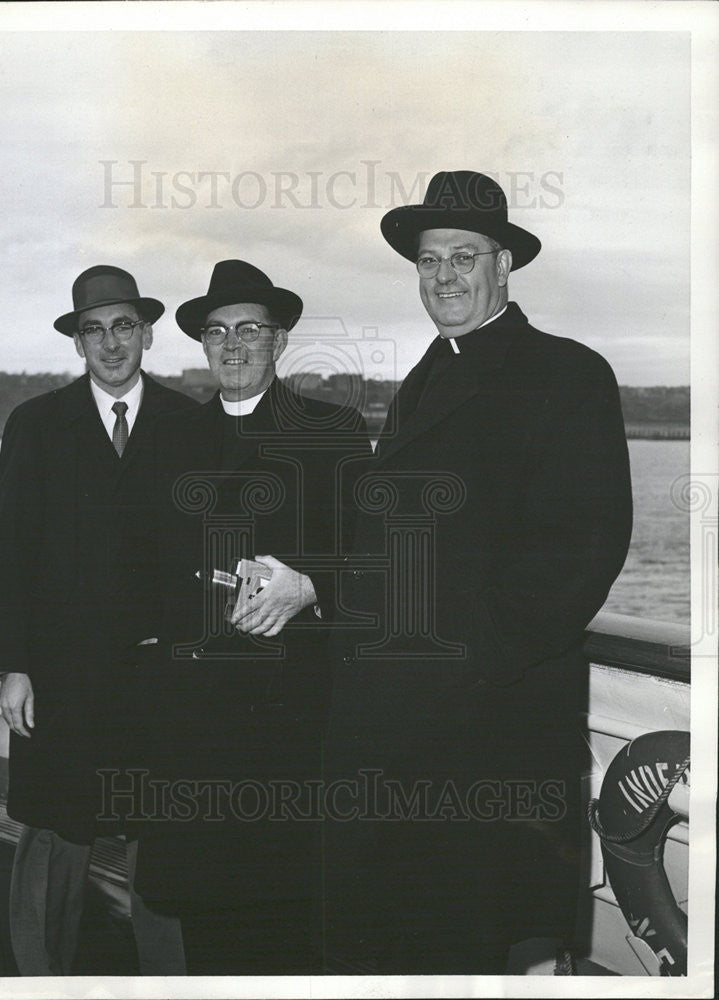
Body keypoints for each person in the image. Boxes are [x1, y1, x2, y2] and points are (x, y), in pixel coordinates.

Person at [323, 171, 633, 974]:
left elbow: (577, 554)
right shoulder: (427, 378)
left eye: (464, 257)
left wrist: (454, 665)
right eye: (429, 262)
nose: (444, 277)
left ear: (505, 267)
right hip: (406, 736)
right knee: (416, 944)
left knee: (497, 947)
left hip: (494, 731)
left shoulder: (566, 375)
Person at [131, 259, 371, 974]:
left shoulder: (332, 429)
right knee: (208, 911)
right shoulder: (165, 438)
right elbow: (138, 565)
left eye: (250, 330)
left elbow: (371, 556)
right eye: (217, 332)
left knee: (291, 908)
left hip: (291, 714)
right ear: (202, 344)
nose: (232, 345)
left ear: (280, 340)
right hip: (193, 716)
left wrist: (312, 587)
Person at [0, 264, 197, 975]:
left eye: (123, 326)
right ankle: (38, 980)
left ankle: (172, 983)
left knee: (160, 834)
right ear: (77, 343)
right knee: (55, 830)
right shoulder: (35, 424)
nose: (110, 344)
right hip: (63, 671)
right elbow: (11, 551)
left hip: (157, 674)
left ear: (147, 333)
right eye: (93, 330)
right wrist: (13, 664)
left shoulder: (188, 423)